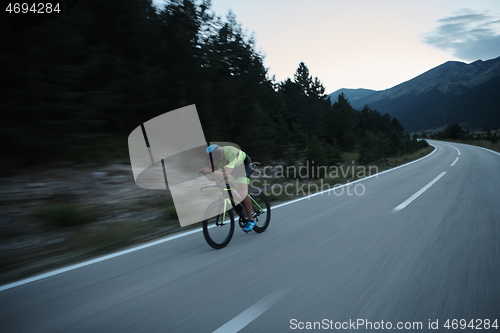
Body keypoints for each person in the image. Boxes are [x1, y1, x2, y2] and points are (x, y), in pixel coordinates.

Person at [200, 144, 256, 232]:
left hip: (243, 166)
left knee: (242, 190)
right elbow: (213, 171)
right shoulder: (215, 157)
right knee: (224, 187)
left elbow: (225, 173)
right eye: (209, 160)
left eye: (213, 160)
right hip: (231, 169)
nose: (211, 162)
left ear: (218, 156)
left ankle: (251, 219)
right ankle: (241, 204)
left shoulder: (231, 153)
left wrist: (211, 171)